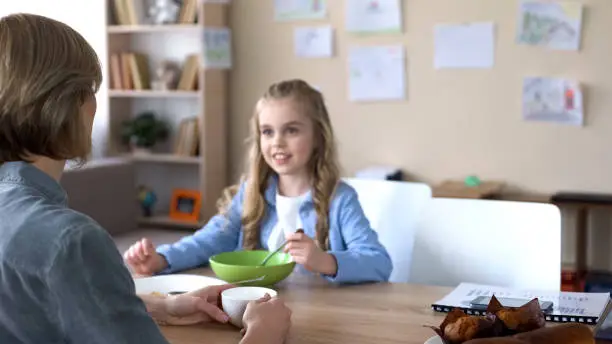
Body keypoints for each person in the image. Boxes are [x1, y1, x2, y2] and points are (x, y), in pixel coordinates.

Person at [0, 13, 291, 344]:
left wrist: (159, 306)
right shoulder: (70, 241)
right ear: (70, 106)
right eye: (91, 90)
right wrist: (265, 334)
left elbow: (34, 312)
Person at [125, 79, 393, 284]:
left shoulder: (340, 199)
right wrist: (161, 259)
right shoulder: (251, 193)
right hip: (260, 311)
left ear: (318, 137)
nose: (277, 141)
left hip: (325, 317)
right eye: (267, 131)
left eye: (291, 130)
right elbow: (208, 240)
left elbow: (379, 263)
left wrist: (325, 261)